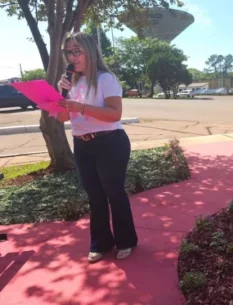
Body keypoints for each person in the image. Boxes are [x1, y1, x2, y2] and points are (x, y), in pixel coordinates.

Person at [57, 32, 138, 263]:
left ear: (90, 51)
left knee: (114, 193)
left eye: (76, 51)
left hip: (110, 142)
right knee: (95, 196)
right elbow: (63, 117)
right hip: (82, 144)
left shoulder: (105, 79)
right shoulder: (70, 81)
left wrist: (81, 107)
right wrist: (60, 93)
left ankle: (126, 240)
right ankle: (101, 243)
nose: (72, 57)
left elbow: (115, 114)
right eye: (68, 52)